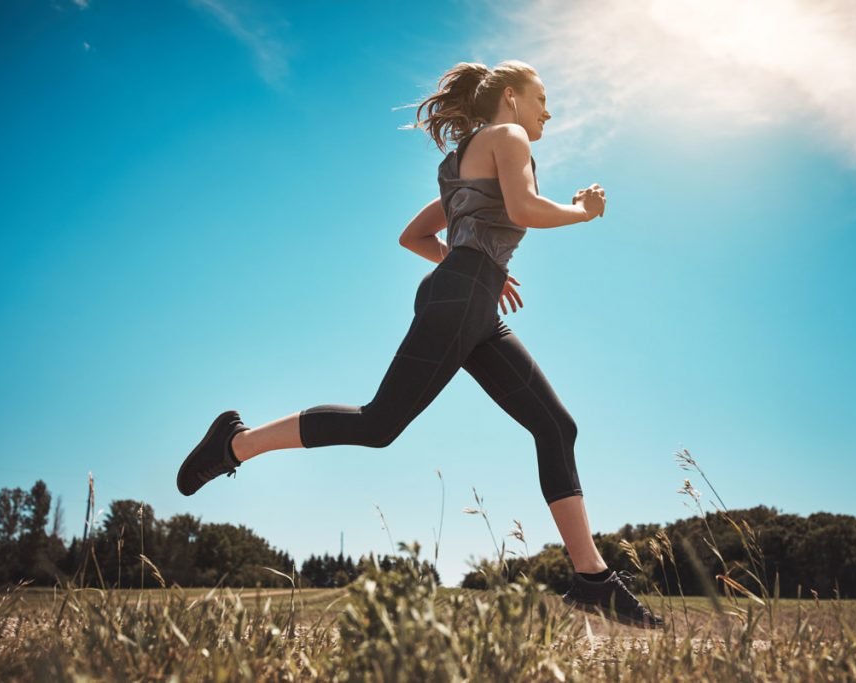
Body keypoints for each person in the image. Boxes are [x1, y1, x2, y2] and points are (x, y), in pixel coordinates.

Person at [176, 59, 664, 630]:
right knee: (377, 424)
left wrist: (477, 263)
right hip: (460, 298)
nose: (547, 112)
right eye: (541, 99)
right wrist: (585, 211)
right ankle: (237, 442)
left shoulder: (459, 163)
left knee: (556, 426)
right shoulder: (507, 136)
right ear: (510, 97)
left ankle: (592, 579)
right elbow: (525, 208)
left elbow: (415, 236)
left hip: (470, 301)